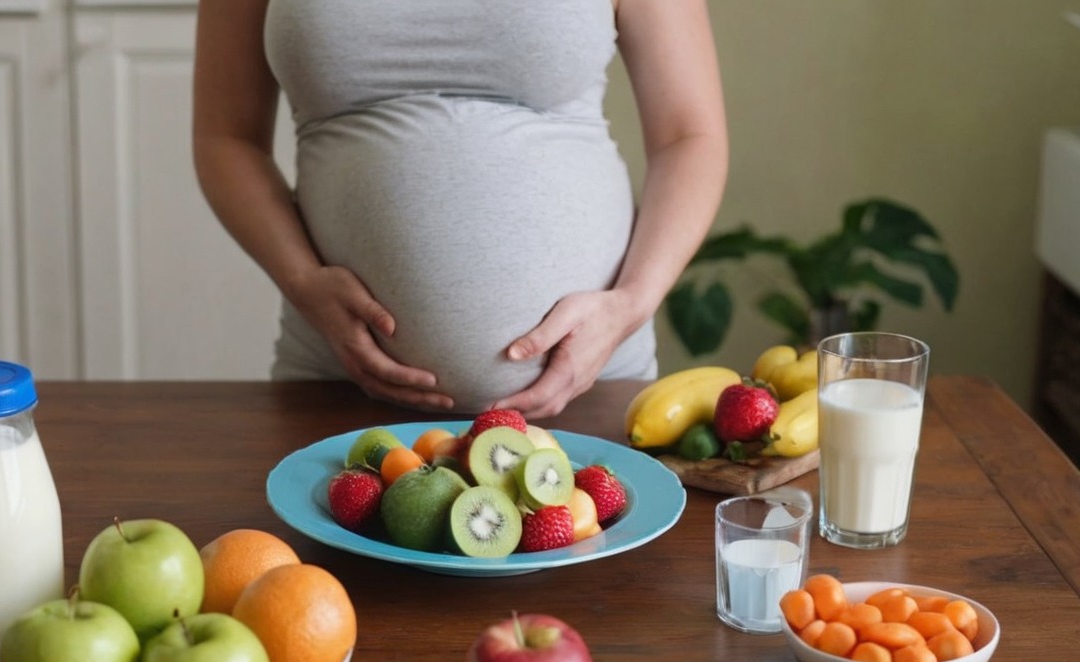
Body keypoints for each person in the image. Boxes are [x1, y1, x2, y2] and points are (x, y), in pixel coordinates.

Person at [192, 0, 728, 418]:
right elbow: (226, 138)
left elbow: (690, 136)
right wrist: (302, 280)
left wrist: (631, 303)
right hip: (338, 387)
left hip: (591, 387)